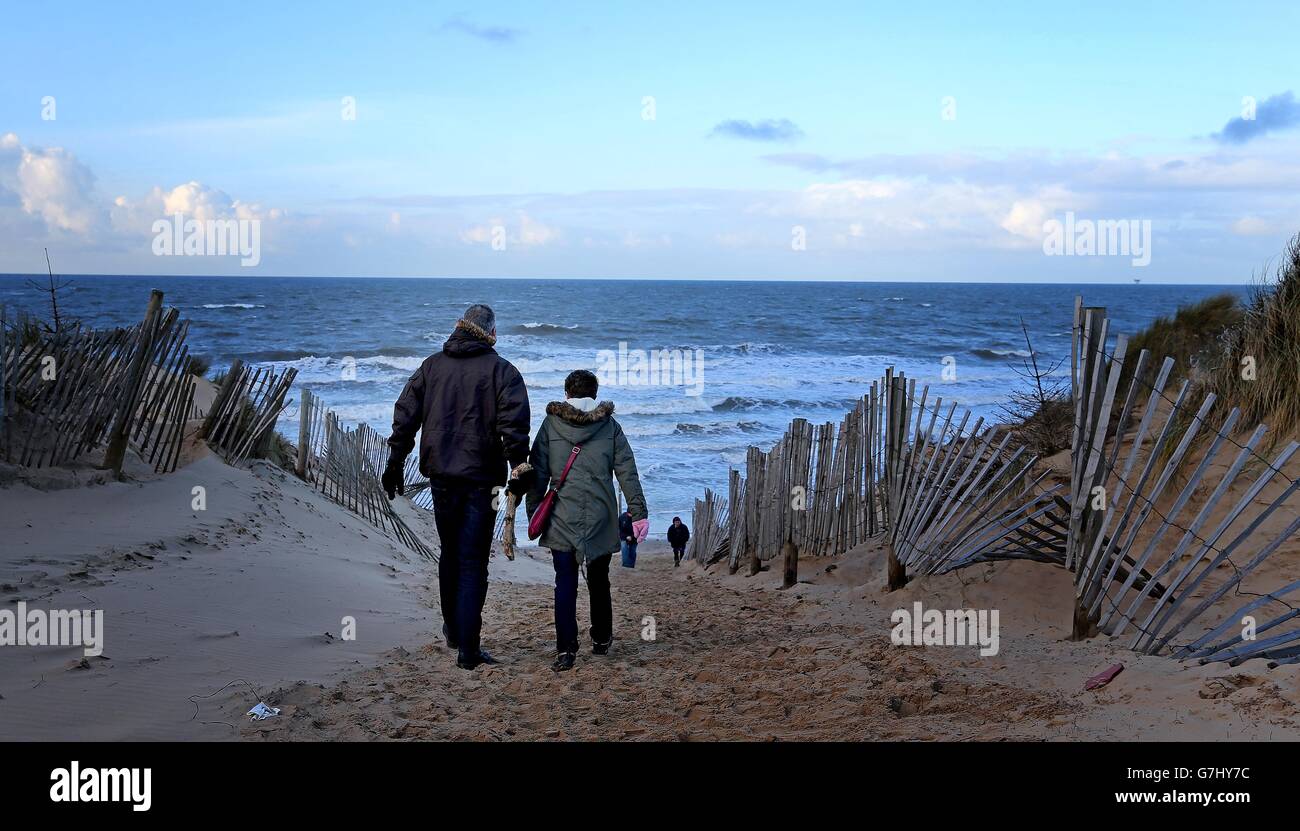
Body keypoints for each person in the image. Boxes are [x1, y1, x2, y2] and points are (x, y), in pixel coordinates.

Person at [382, 304, 532, 671]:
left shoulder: (432, 366)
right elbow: (514, 427)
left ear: (460, 328)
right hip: (485, 481)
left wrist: (395, 461)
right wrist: (519, 469)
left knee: (450, 554)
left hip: (442, 477)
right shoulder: (502, 372)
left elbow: (406, 414)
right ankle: (468, 646)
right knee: (473, 560)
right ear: (491, 332)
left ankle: (454, 631)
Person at [526, 369, 647, 672]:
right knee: (599, 580)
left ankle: (566, 649)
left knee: (564, 582)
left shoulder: (551, 424)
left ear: (566, 393)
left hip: (561, 514)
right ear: (594, 394)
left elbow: (537, 470)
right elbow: (626, 471)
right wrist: (638, 511)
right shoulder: (609, 426)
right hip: (600, 514)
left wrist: (533, 510)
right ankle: (602, 639)